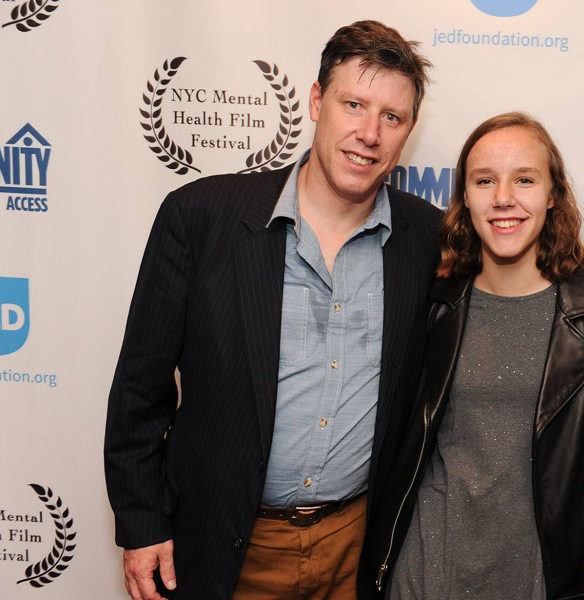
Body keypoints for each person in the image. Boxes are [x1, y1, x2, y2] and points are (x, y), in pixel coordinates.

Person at [104, 20, 441, 600]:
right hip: (222, 546)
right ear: (316, 101)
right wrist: (141, 524)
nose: (368, 133)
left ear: (409, 130)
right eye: (353, 104)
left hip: (356, 550)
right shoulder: (201, 217)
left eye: (392, 117)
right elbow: (139, 389)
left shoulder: (428, 238)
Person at [358, 112, 584, 600]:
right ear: (465, 198)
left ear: (553, 194)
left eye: (524, 179)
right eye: (485, 181)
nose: (504, 197)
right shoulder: (431, 304)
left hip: (541, 577)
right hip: (427, 571)